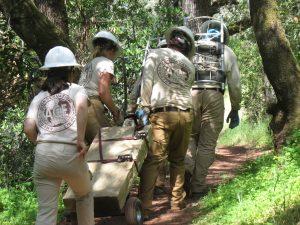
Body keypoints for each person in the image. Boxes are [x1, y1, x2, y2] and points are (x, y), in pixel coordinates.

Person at [24, 46, 94, 225]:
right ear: (71, 70)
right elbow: (81, 107)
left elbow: (29, 127)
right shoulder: (77, 90)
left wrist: (39, 143)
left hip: (44, 155)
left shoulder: (39, 97)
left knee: (46, 210)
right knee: (84, 195)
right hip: (70, 153)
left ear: (49, 72)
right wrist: (79, 139)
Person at [138, 26, 195, 218]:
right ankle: (176, 203)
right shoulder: (189, 64)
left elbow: (147, 81)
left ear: (170, 40)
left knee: (153, 161)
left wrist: (144, 107)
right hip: (185, 114)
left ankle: (144, 208)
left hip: (162, 113)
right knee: (178, 160)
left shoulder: (154, 55)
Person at [184, 19, 242, 199]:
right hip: (214, 94)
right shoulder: (227, 52)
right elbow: (235, 84)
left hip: (190, 94)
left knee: (190, 138)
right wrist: (235, 108)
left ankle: (185, 171)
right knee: (207, 144)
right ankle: (198, 187)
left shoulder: (191, 49)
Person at [79, 31, 124, 145]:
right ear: (112, 50)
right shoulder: (106, 62)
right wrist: (116, 112)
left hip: (78, 106)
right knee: (105, 147)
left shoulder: (89, 65)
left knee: (91, 150)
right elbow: (103, 91)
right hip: (91, 105)